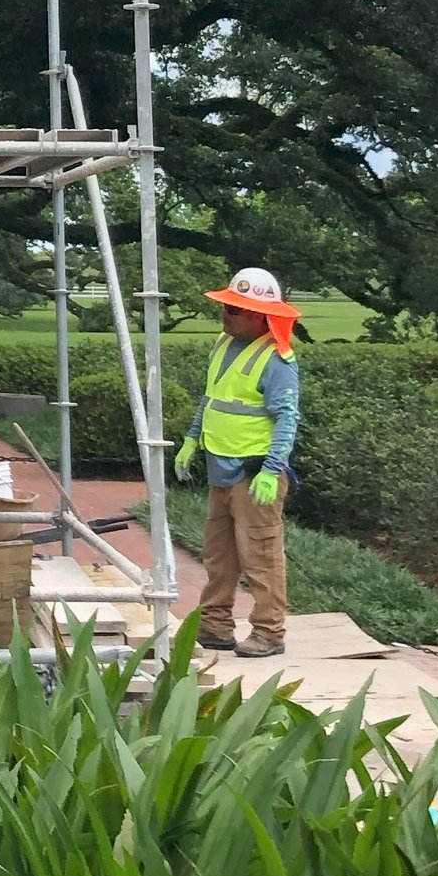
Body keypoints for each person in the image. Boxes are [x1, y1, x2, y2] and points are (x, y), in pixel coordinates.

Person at [174, 263, 301, 657]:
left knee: (260, 556)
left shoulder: (277, 360)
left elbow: (287, 418)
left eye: (234, 309)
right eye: (226, 306)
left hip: (254, 474)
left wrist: (272, 470)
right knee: (218, 553)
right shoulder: (224, 344)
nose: (225, 314)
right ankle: (215, 625)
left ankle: (268, 632)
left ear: (261, 316)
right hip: (221, 469)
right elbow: (212, 397)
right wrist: (192, 438)